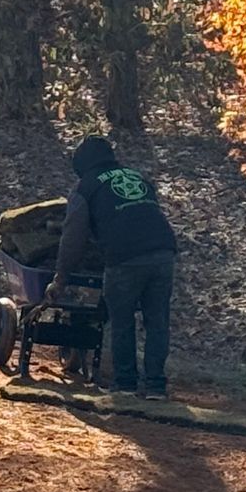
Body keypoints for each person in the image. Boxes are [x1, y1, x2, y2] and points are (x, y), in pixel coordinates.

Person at [51, 135, 177, 399]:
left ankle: (126, 383)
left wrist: (61, 277)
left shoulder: (86, 187)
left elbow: (73, 236)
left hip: (124, 257)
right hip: (163, 253)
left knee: (122, 319)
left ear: (81, 164)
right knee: (157, 321)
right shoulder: (137, 177)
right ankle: (156, 385)